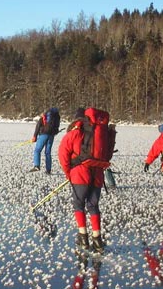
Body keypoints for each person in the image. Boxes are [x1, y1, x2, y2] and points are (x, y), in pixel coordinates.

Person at [58, 107, 116, 254]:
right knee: (93, 205)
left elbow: (63, 154)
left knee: (78, 204)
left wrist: (68, 173)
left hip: (79, 173)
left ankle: (83, 238)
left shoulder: (75, 132)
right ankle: (97, 240)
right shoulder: (101, 132)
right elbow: (107, 156)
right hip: (97, 173)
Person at [29, 107, 60, 174]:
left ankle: (37, 165)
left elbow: (38, 126)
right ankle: (48, 170)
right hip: (51, 135)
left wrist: (35, 136)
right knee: (48, 153)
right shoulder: (56, 117)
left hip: (44, 134)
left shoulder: (43, 117)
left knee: (37, 150)